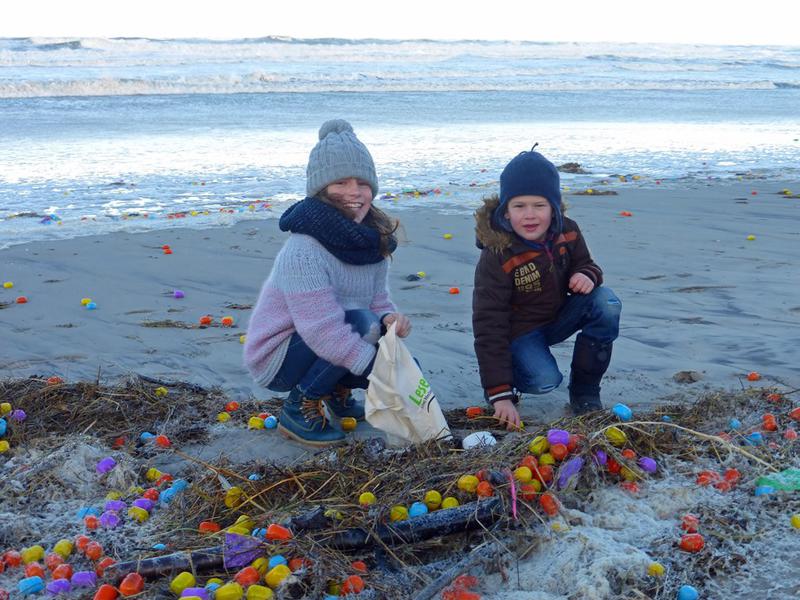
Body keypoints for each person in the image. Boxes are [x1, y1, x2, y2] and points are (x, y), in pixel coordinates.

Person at [244, 119, 411, 446]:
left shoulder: (370, 241)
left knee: (380, 334)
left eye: (363, 183)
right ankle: (299, 404)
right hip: (280, 355)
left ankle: (337, 391)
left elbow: (377, 301)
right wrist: (375, 369)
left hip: (332, 336)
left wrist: (391, 320)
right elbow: (322, 329)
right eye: (341, 183)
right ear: (321, 191)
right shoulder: (303, 250)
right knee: (362, 325)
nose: (354, 192)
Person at [472, 147, 621, 430]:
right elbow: (488, 323)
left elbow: (589, 265)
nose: (530, 215)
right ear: (505, 210)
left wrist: (586, 275)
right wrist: (499, 393)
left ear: (553, 207)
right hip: (520, 333)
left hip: (558, 316)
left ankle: (585, 392)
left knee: (607, 302)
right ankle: (508, 382)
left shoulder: (569, 231)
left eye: (539, 205)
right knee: (545, 381)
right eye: (519, 206)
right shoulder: (497, 253)